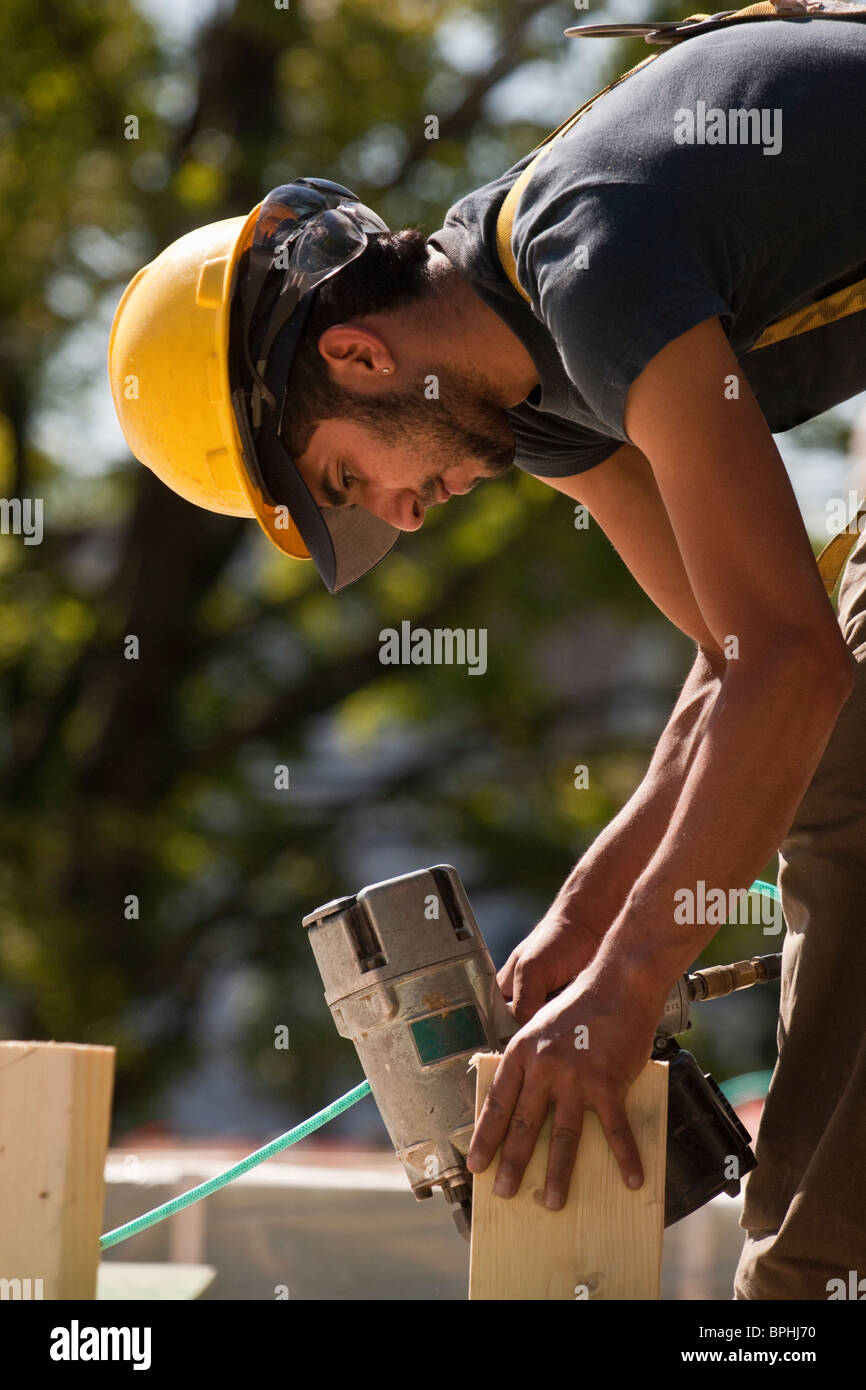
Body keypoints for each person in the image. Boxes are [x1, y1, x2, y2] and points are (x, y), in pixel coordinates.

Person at [109, 10, 866, 1298]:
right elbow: (732, 658)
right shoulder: (542, 399)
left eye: (350, 476)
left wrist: (628, 986)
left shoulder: (591, 263)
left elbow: (789, 662)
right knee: (835, 765)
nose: (396, 518)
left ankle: (803, 1299)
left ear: (359, 353)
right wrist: (587, 921)